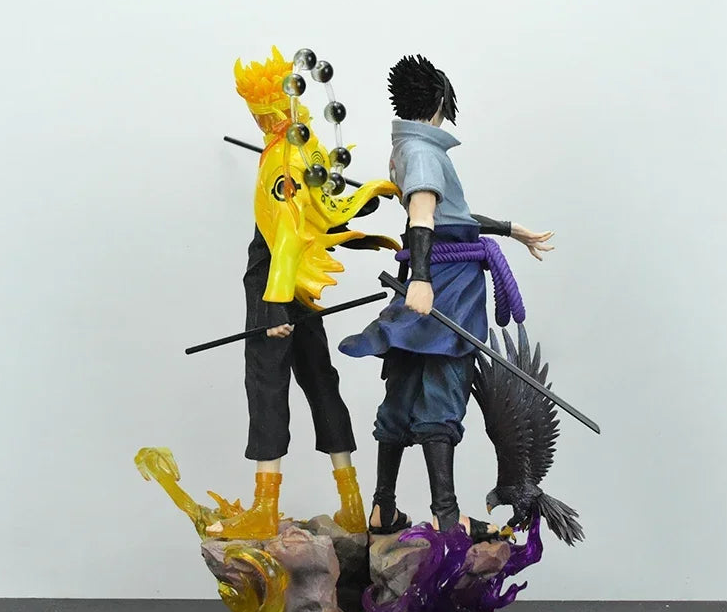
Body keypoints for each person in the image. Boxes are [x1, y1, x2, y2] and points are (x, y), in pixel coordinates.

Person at [340, 55, 553, 541]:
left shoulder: (407, 147)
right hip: (445, 284)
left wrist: (509, 229)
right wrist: (420, 278)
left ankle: (384, 508)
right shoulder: (423, 151)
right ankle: (446, 515)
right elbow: (422, 214)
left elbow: (451, 214)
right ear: (440, 101)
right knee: (442, 383)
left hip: (437, 273)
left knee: (405, 382)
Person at [208, 47, 398, 540]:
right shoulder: (307, 145)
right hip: (302, 288)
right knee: (319, 378)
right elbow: (325, 206)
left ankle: (264, 508)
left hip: (274, 281)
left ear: (266, 111)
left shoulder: (279, 157)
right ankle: (352, 504)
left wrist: (273, 305)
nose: (255, 120)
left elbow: (287, 234)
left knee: (267, 384)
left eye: (256, 112)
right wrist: (364, 200)